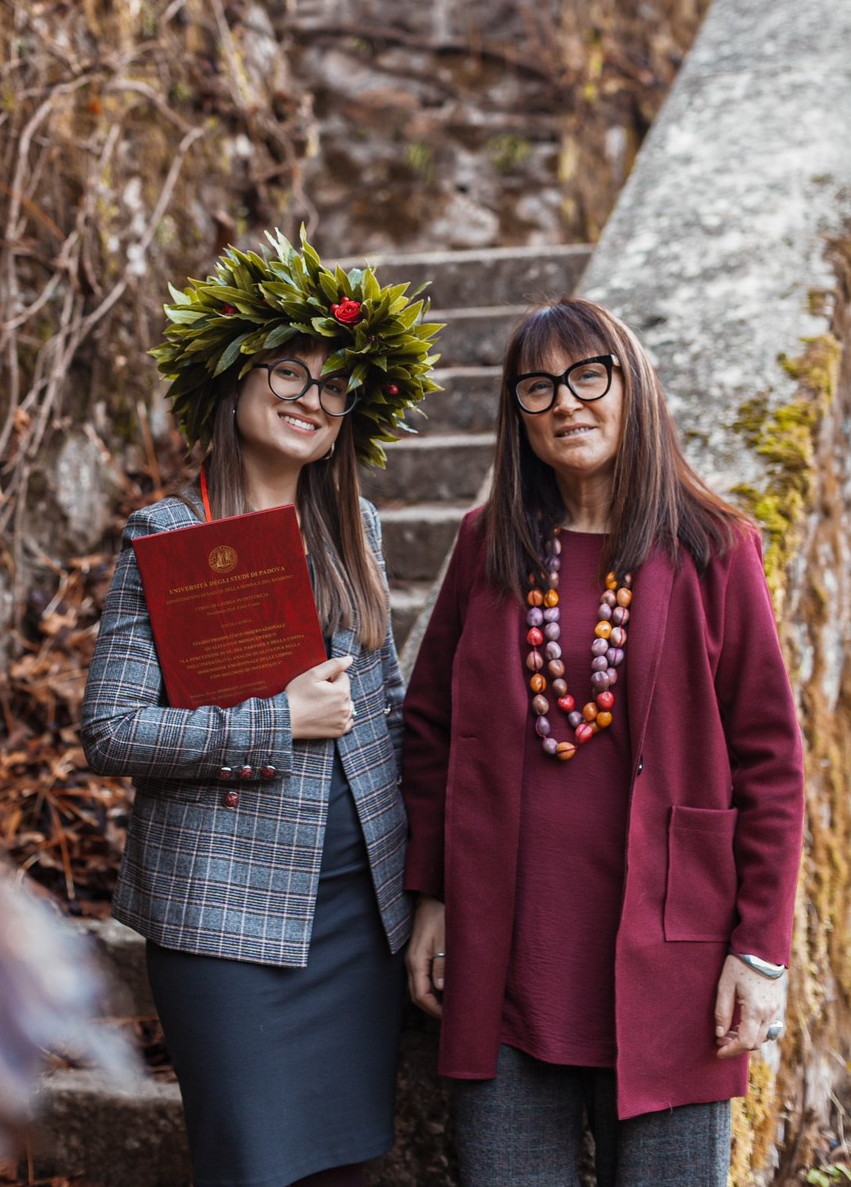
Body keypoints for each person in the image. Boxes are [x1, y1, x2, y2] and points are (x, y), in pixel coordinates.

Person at [400, 296, 804, 1187]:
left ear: (633, 386)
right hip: (506, 961)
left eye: (589, 376)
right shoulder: (488, 544)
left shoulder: (714, 546)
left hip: (677, 966)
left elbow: (772, 762)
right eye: (537, 387)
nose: (566, 403)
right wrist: (430, 895)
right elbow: (427, 726)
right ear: (517, 415)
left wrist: (759, 951)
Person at [81, 229, 439, 1187]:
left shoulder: (358, 526)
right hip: (225, 921)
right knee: (249, 1166)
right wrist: (274, 722)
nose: (310, 398)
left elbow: (389, 709)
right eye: (289, 371)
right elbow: (111, 729)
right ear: (235, 378)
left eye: (334, 386)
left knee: (348, 1168)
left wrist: (429, 886)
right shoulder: (169, 532)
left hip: (359, 916)